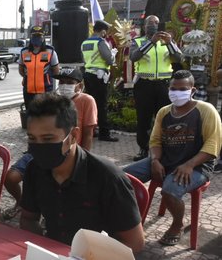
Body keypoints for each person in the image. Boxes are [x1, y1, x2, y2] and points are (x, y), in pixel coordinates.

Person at [19, 93, 144, 252]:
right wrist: (44, 249)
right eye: (32, 138)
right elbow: (28, 220)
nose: (38, 146)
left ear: (73, 136)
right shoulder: (34, 170)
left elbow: (135, 243)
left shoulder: (108, 178)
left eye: (48, 139)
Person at [124, 70, 221, 246]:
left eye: (182, 89)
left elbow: (212, 145)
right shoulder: (164, 112)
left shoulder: (206, 110)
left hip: (198, 165)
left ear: (192, 90)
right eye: (173, 88)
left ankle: (177, 224)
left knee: (169, 190)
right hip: (165, 158)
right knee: (122, 178)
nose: (177, 93)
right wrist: (154, 161)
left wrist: (189, 164)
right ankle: (129, 218)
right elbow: (155, 141)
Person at [1, 68, 97, 220]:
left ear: (79, 85)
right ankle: (21, 203)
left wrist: (83, 159)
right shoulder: (52, 101)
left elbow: (88, 133)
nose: (65, 85)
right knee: (10, 178)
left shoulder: (87, 101)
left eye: (69, 82)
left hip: (67, 153)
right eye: (62, 82)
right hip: (37, 153)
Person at [130, 15, 183, 161]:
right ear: (144, 26)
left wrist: (170, 43)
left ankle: (166, 150)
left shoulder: (168, 42)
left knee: (166, 118)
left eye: (156, 23)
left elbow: (179, 59)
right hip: (144, 85)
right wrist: (151, 42)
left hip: (164, 85)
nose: (153, 25)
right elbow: (133, 57)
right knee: (144, 118)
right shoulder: (138, 41)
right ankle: (143, 149)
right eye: (150, 23)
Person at [81, 20, 118, 142]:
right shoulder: (101, 42)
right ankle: (104, 133)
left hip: (88, 75)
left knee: (91, 104)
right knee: (101, 105)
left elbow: (84, 59)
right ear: (102, 31)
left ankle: (92, 130)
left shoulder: (85, 42)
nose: (106, 34)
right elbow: (109, 60)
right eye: (105, 32)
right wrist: (112, 54)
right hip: (99, 76)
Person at [18, 25, 60, 109]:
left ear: (43, 37)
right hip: (29, 92)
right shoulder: (24, 52)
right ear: (30, 37)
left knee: (46, 115)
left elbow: (56, 71)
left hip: (46, 92)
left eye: (39, 36)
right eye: (34, 36)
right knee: (31, 116)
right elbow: (21, 70)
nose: (37, 38)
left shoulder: (50, 52)